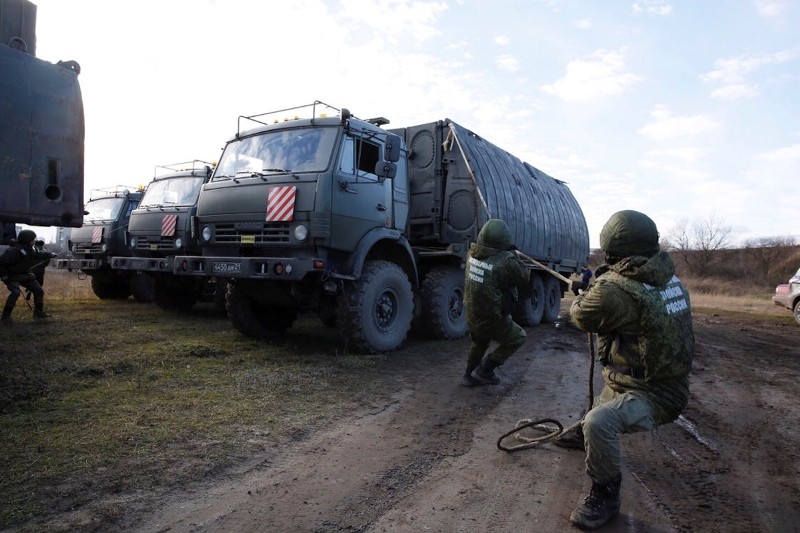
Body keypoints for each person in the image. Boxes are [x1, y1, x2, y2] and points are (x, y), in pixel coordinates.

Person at [556, 210, 694, 530]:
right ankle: (583, 436)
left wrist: (587, 288)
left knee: (599, 421)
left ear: (611, 248)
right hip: (659, 381)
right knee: (605, 396)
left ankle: (605, 495)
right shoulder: (670, 279)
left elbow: (582, 316)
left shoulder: (614, 289)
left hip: (654, 394)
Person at [461, 219, 531, 387]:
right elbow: (524, 277)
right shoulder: (506, 262)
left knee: (479, 342)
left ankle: (467, 375)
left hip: (472, 312)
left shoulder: (471, 253)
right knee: (518, 337)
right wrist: (512, 254)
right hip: (493, 317)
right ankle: (486, 369)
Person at [0, 230, 55, 325]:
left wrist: (50, 254)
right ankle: (6, 317)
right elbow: (1, 263)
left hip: (24, 275)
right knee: (15, 293)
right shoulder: (14, 251)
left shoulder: (29, 249)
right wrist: (4, 275)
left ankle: (38, 312)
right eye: (32, 240)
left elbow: (38, 255)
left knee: (38, 290)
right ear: (26, 240)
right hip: (11, 276)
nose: (34, 241)